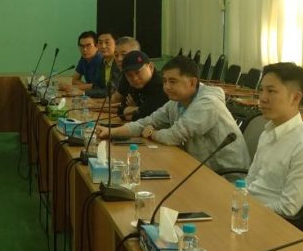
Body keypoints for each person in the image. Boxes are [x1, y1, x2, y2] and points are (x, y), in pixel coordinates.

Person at [96, 56, 249, 172]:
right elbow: (145, 122)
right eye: (165, 81)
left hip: (226, 176)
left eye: (173, 81)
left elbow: (173, 136)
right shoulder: (177, 102)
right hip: (199, 167)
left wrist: (152, 133)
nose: (167, 87)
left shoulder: (208, 103)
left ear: (192, 82)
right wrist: (110, 132)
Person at [244, 63, 303, 217]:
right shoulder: (268, 132)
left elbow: (288, 209)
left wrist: (246, 209)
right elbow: (250, 181)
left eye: (271, 91)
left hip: (267, 221)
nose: (262, 98)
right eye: (261, 90)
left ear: (295, 98)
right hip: (246, 210)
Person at [114, 50, 167, 122]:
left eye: (138, 72)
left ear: (151, 67)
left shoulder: (161, 86)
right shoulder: (135, 84)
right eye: (129, 75)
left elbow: (147, 117)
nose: (135, 78)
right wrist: (139, 109)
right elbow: (120, 112)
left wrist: (138, 109)